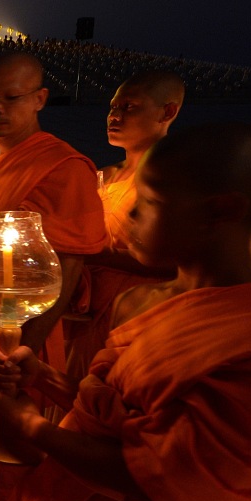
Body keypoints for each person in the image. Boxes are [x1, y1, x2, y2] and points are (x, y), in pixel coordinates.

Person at [0, 122, 251, 501]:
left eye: (149, 202)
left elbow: (166, 479)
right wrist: (42, 377)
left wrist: (29, 426)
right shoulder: (146, 298)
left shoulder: (245, 336)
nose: (129, 216)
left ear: (220, 211)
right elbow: (122, 416)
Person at [0, 52, 106, 373]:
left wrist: (27, 349)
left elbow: (69, 264)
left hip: (26, 326)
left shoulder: (64, 167)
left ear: (40, 99)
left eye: (11, 98)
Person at [67, 71, 183, 376]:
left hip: (141, 314)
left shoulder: (178, 178)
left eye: (129, 108)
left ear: (167, 112)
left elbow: (184, 261)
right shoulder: (103, 176)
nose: (114, 116)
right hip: (83, 311)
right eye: (112, 107)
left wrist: (103, 256)